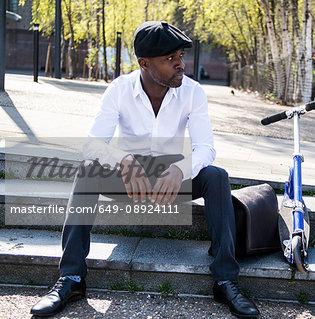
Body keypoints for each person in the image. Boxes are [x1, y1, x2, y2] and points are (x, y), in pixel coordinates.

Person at [30, 21, 260, 318]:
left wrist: (180, 169)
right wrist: (122, 159)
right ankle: (72, 278)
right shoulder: (119, 90)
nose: (181, 65)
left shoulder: (193, 92)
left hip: (171, 182)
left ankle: (226, 280)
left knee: (217, 176)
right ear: (144, 63)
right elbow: (92, 145)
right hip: (129, 181)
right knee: (88, 170)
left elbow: (205, 148)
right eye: (170, 59)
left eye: (180, 56)